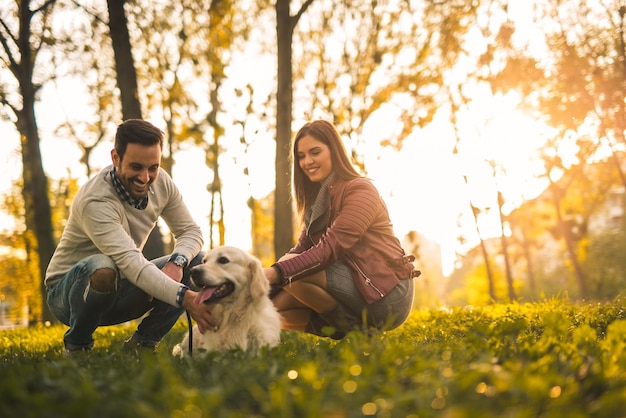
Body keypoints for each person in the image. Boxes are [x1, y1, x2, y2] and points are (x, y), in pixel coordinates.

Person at [45, 119, 214, 355]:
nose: (145, 177)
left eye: (152, 167)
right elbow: (131, 262)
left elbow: (191, 231)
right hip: (68, 295)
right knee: (102, 267)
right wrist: (184, 297)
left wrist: (177, 262)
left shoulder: (162, 182)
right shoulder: (96, 200)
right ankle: (77, 347)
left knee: (196, 262)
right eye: (136, 167)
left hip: (124, 284)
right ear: (115, 158)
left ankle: (142, 344)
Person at [264, 120, 419, 339]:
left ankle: (356, 334)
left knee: (291, 272)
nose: (307, 161)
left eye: (315, 152)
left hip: (388, 294)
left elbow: (330, 249)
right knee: (270, 307)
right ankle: (351, 331)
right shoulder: (317, 202)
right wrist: (252, 290)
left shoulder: (361, 190)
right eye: (301, 156)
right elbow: (301, 250)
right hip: (353, 286)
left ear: (334, 151)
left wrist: (274, 273)